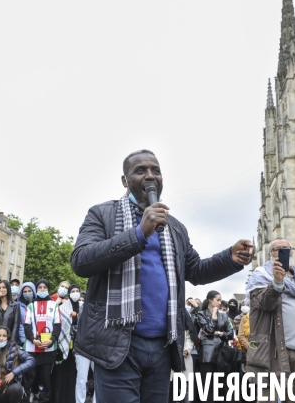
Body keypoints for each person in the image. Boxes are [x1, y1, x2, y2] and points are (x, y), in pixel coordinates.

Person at [70, 149, 253, 403]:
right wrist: (139, 233)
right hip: (117, 345)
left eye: (155, 171)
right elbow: (81, 260)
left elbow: (196, 270)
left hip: (162, 347)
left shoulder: (174, 227)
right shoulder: (102, 215)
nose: (150, 176)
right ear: (125, 181)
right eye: (140, 171)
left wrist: (229, 258)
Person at [244, 237, 295, 403]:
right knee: (267, 398)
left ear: (291, 252)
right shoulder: (261, 275)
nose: (281, 252)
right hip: (272, 350)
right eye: (276, 249)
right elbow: (263, 303)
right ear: (270, 254)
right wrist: (277, 283)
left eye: (285, 248)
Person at [23, 279, 61, 403]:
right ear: (37, 290)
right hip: (31, 348)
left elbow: (57, 325)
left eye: (45, 287)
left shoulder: (54, 305)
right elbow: (26, 326)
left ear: (48, 289)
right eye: (40, 288)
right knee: (29, 378)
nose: (42, 290)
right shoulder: (30, 305)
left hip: (49, 348)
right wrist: (33, 340)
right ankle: (26, 400)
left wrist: (51, 340)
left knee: (45, 379)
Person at [197, 290, 233, 403]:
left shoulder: (224, 316)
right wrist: (213, 316)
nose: (220, 302)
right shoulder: (201, 314)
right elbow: (208, 329)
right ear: (210, 300)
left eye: (220, 300)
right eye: (217, 300)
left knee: (220, 386)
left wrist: (219, 333)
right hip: (207, 354)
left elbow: (230, 334)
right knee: (207, 387)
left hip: (221, 354)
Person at [52, 284, 84, 403]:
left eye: (77, 291)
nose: (75, 293)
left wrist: (78, 315)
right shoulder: (63, 307)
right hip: (64, 346)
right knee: (61, 373)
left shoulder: (83, 307)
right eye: (73, 291)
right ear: (69, 293)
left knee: (75, 374)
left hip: (79, 346)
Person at [16, 282, 36, 403]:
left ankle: (28, 395)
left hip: (35, 343)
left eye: (30, 291)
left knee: (31, 374)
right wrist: (25, 340)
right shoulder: (18, 306)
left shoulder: (37, 305)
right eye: (25, 291)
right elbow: (19, 325)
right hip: (23, 343)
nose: (27, 293)